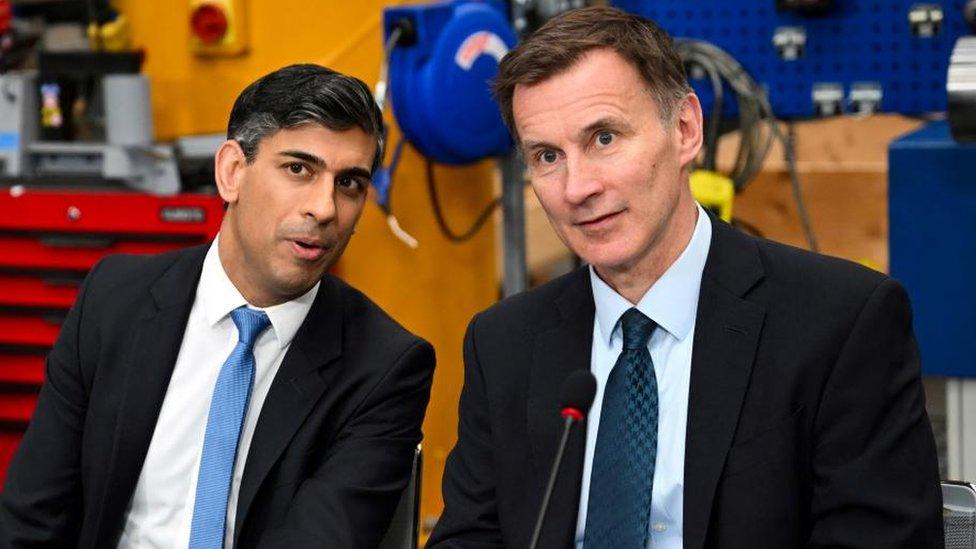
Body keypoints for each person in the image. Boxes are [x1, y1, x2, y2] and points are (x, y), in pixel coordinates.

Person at [428, 7, 942, 548]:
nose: (577, 187)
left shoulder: (840, 323)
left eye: (604, 138)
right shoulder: (505, 343)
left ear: (685, 130)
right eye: (548, 155)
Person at [0, 64, 435, 549]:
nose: (325, 208)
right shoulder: (114, 300)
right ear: (232, 172)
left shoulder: (384, 366)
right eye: (299, 169)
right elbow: (33, 518)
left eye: (349, 184)